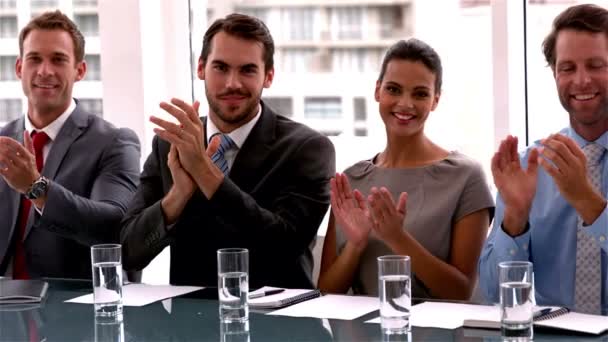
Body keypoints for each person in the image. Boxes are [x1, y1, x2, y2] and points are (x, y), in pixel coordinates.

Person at [120, 13, 335, 289]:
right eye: (220, 68)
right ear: (201, 68)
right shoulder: (170, 144)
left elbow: (283, 247)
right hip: (190, 323)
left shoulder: (308, 149)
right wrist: (178, 196)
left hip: (277, 323)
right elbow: (127, 251)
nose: (232, 83)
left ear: (268, 76)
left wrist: (203, 171)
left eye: (247, 70)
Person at [317, 39, 494, 300]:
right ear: (378, 91)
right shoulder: (352, 178)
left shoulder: (465, 176)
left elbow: (461, 291)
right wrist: (355, 245)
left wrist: (398, 238)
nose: (405, 103)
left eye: (420, 94)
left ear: (435, 100)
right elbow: (327, 291)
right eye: (394, 89)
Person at [479, 4, 608, 315]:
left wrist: (588, 201)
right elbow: (493, 293)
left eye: (596, 65)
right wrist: (516, 217)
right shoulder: (529, 167)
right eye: (567, 68)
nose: (581, 81)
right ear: (554, 74)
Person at [0, 11, 141, 279]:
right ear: (19, 68)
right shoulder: (3, 142)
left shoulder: (114, 142)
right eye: (34, 59)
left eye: (58, 59)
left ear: (80, 70)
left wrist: (35, 188)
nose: (45, 70)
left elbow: (113, 225)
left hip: (76, 310)